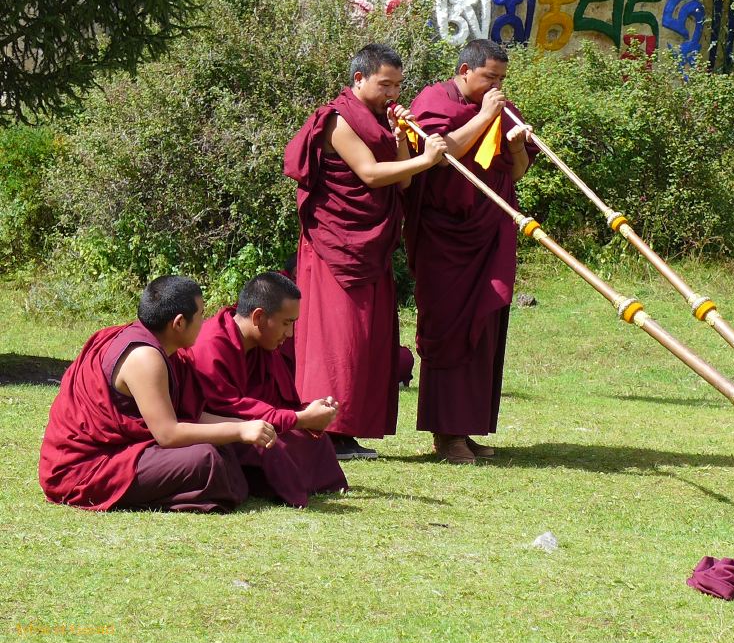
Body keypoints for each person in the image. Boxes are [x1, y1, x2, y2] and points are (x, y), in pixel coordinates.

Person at [284, 43, 448, 460]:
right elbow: (372, 175)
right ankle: (326, 429)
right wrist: (428, 160)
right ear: (359, 79)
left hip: (370, 243)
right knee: (336, 337)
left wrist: (402, 141)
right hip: (335, 244)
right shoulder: (339, 119)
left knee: (366, 338)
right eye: (384, 85)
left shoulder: (379, 121)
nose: (392, 94)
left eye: (397, 85)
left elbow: (402, 184)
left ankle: (350, 428)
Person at [39, 276, 274, 512]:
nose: (205, 322)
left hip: (120, 451)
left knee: (221, 450)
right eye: (202, 314)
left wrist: (244, 425)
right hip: (85, 468)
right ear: (179, 323)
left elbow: (190, 414)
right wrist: (241, 430)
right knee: (207, 460)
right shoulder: (145, 357)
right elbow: (168, 434)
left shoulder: (163, 349)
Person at [405, 39, 534, 464]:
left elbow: (516, 170)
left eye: (501, 79)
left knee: (484, 328)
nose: (497, 86)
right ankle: (446, 436)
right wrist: (484, 116)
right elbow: (442, 155)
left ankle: (467, 429)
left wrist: (515, 143)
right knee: (450, 330)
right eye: (489, 77)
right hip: (446, 238)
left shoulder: (500, 108)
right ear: (465, 70)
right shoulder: (434, 101)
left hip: (489, 231)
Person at [189, 272, 348, 507]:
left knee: (314, 440)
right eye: (286, 323)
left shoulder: (261, 342)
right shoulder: (212, 345)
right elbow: (232, 407)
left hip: (256, 420)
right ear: (259, 317)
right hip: (220, 426)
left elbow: (275, 399)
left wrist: (308, 416)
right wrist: (300, 419)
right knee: (273, 446)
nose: (290, 334)